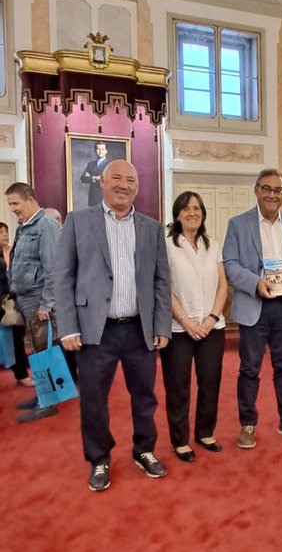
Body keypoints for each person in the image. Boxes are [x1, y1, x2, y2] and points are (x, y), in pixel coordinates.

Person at [54, 159, 171, 492]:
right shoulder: (78, 222)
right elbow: (63, 277)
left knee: (145, 396)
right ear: (102, 181)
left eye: (131, 180)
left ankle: (144, 450)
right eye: (116, 178)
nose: (124, 185)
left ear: (138, 187)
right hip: (94, 331)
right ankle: (99, 458)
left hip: (139, 329)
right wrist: (68, 327)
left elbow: (162, 280)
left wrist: (161, 324)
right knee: (93, 399)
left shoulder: (151, 227)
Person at [223, 168, 282, 449]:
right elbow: (231, 264)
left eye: (277, 190)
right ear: (257, 190)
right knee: (249, 369)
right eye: (266, 189)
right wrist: (255, 283)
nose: (272, 194)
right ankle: (247, 424)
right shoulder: (238, 224)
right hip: (255, 306)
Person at [160, 191, 227, 462]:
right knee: (178, 385)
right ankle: (179, 440)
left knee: (210, 381)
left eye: (197, 208)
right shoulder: (167, 245)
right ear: (177, 214)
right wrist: (186, 321)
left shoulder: (213, 245)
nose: (192, 213)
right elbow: (164, 289)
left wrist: (212, 317)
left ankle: (204, 432)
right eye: (187, 209)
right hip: (179, 329)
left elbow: (223, 284)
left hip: (212, 326)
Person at [5, 184, 61, 421]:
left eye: (15, 204)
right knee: (39, 352)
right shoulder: (23, 227)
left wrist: (46, 305)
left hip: (39, 301)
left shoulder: (46, 226)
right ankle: (43, 395)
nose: (12, 209)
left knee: (43, 351)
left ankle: (48, 403)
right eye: (10, 205)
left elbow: (53, 270)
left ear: (29, 199)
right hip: (26, 299)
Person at [0, 220, 33, 388]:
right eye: (1, 232)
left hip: (11, 302)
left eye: (6, 231)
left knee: (16, 338)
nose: (5, 234)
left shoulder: (12, 252)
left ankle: (20, 375)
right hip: (2, 302)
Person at [80, 141, 109, 206]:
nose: (100, 151)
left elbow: (109, 180)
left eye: (102, 149)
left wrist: (90, 176)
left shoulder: (109, 165)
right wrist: (94, 177)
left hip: (104, 197)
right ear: (95, 151)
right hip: (92, 197)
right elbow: (83, 178)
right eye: (98, 149)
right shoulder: (91, 165)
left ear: (106, 151)